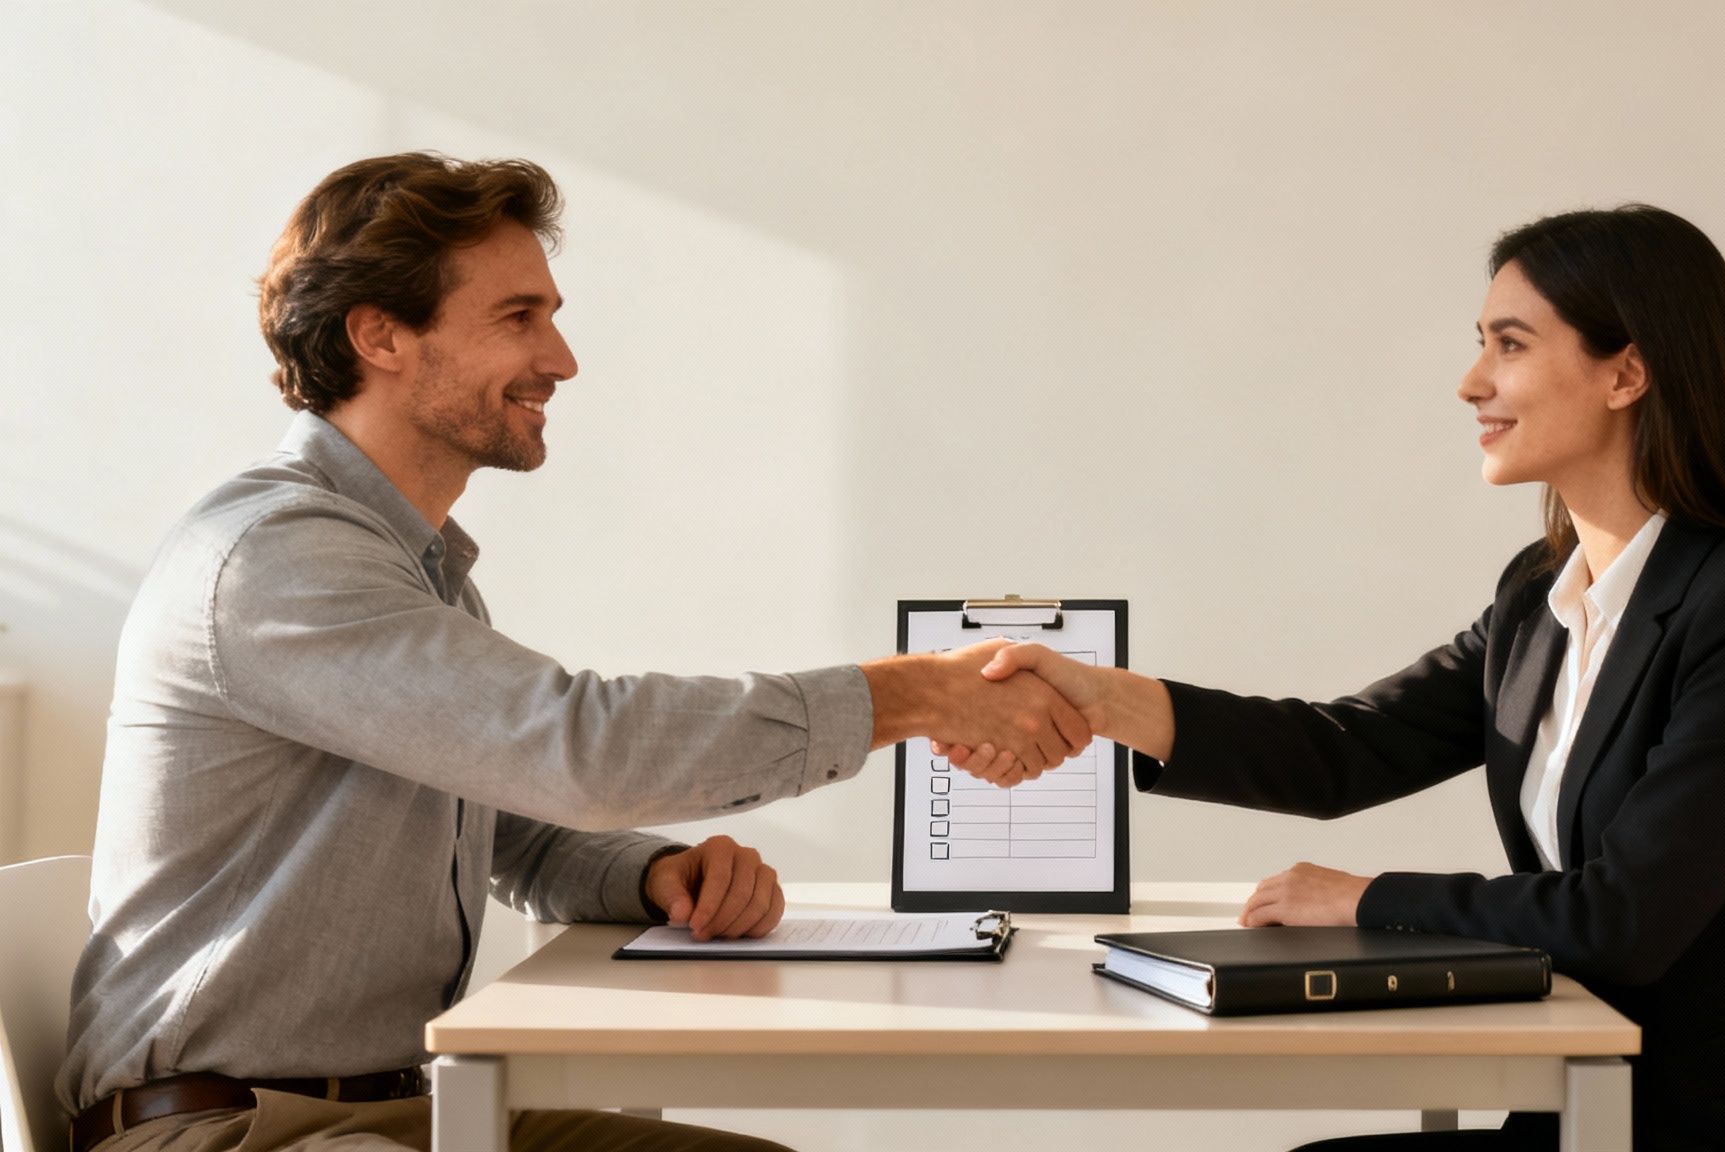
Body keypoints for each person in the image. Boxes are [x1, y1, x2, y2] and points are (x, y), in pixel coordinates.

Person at [59, 152, 1090, 1152]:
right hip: (232, 1131)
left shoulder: (412, 572)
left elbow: (517, 829)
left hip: (393, 1114)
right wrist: (910, 697)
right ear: (380, 335)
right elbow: (577, 754)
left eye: (551, 316)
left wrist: (657, 879)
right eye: (519, 317)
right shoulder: (275, 560)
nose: (560, 359)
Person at [937, 206, 1725, 1149]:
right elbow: (1346, 749)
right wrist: (1099, 699)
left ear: (1625, 372)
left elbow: (1622, 920)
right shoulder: (1537, 596)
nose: (1471, 382)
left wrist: (1368, 898)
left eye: (1508, 345)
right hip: (1599, 1101)